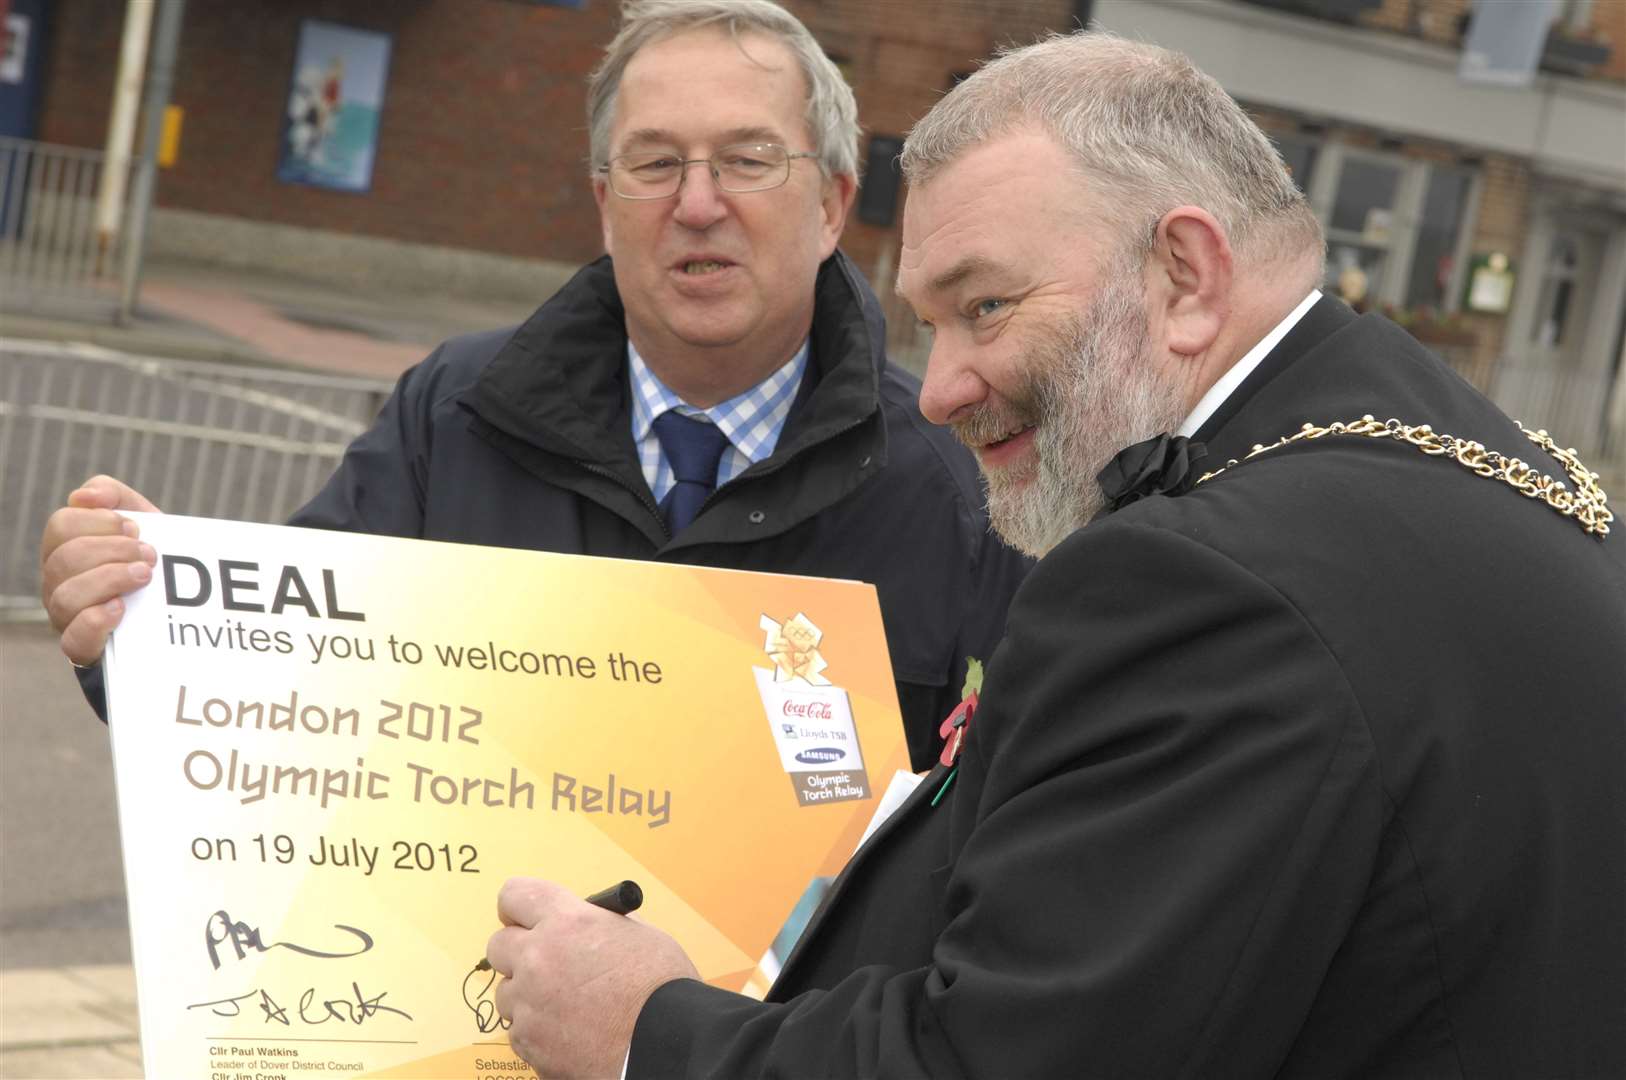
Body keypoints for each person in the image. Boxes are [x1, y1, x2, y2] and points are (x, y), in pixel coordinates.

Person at [480, 30, 1626, 1078]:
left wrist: (646, 1031)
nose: (938, 390)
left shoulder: (1197, 584)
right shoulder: (1485, 476)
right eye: (929, 325)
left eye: (985, 308)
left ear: (1184, 273)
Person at [38, 0, 1032, 773]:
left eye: (747, 160)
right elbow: (286, 689)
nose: (696, 204)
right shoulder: (455, 414)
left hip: (775, 1038)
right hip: (465, 1012)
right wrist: (134, 625)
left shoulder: (961, 487)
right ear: (606, 205)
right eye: (653, 164)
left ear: (831, 205)